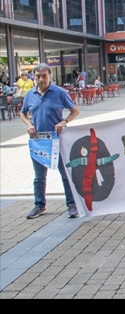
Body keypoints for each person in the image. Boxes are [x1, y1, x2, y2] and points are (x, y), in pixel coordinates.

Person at [20, 63, 80, 219]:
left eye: (44, 76)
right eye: (38, 76)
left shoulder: (60, 92)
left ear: (50, 76)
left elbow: (75, 111)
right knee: (39, 176)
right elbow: (22, 113)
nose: (41, 79)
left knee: (65, 174)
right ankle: (39, 205)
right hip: (38, 141)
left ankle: (72, 205)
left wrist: (64, 122)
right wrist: (29, 125)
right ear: (34, 77)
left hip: (57, 139)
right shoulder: (30, 94)